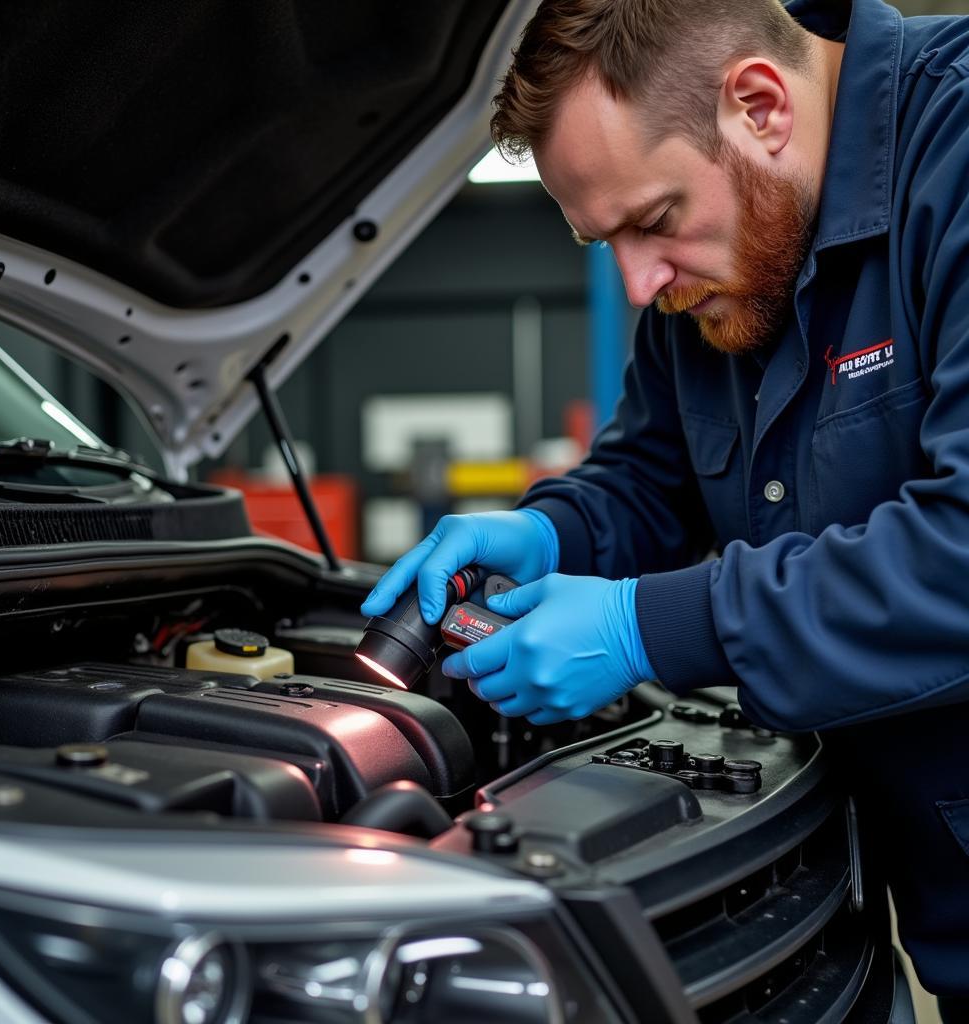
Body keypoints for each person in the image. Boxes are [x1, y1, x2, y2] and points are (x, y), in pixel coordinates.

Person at [362, 0, 969, 1008]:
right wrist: (550, 532)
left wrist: (652, 627)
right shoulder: (725, 258)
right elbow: (651, 478)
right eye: (604, 240)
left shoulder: (952, 154)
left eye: (651, 221)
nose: (640, 283)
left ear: (759, 106)